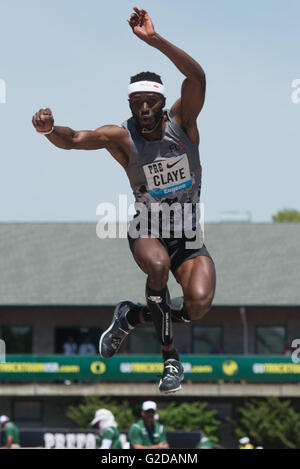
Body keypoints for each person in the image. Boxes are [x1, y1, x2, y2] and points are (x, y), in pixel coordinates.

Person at [32, 7, 216, 394]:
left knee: (198, 304)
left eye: (150, 102)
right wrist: (51, 130)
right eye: (136, 104)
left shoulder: (183, 123)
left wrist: (155, 41)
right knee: (159, 266)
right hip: (147, 230)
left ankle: (131, 315)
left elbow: (196, 77)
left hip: (188, 234)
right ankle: (170, 359)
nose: (143, 109)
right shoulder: (122, 137)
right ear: (130, 106)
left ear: (162, 103)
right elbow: (78, 139)